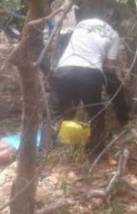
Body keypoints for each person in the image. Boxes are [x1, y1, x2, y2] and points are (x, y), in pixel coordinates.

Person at [47, 6, 129, 159]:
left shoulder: (80, 26)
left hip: (64, 69)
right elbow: (109, 68)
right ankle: (96, 152)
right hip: (89, 74)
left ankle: (51, 149)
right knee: (95, 113)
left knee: (58, 111)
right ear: (110, 19)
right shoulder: (113, 34)